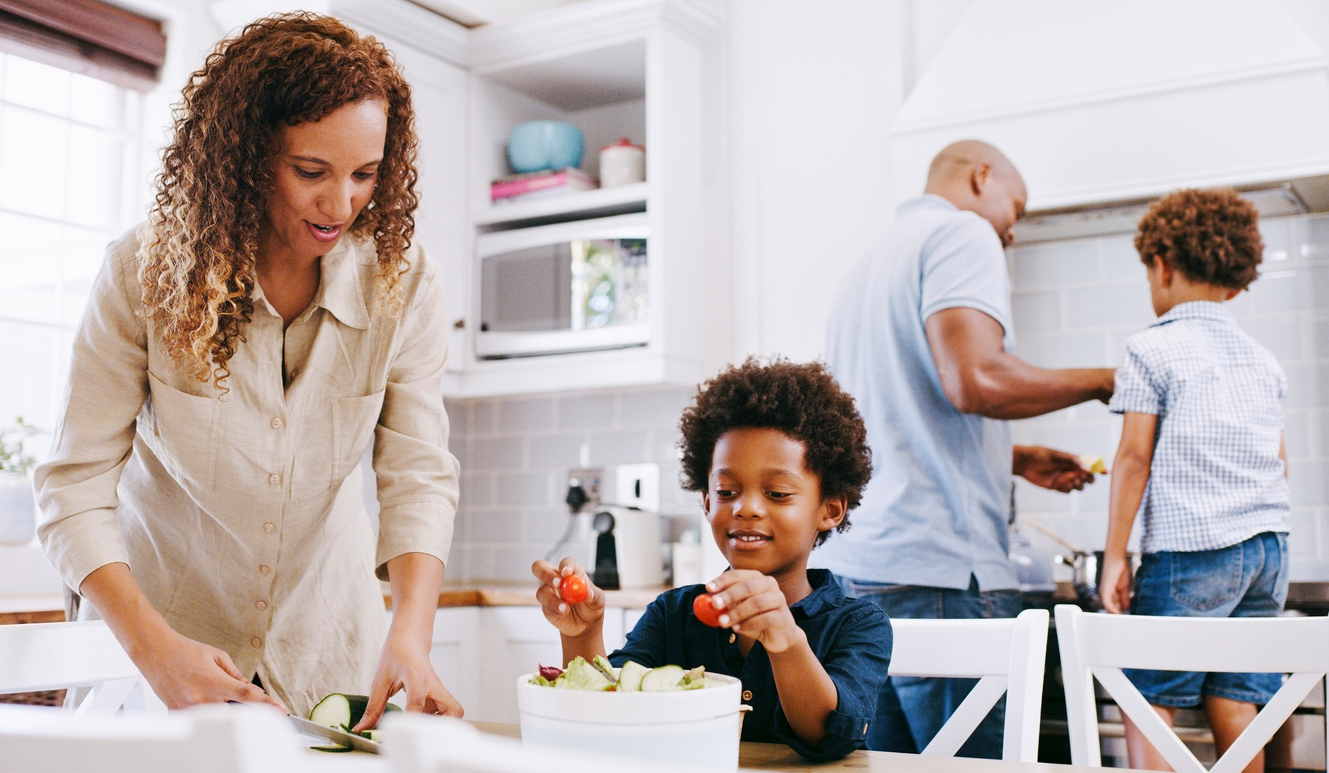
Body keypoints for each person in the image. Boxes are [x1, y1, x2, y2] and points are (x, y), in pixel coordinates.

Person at [33, 14, 460, 727]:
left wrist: (409, 636)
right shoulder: (144, 275)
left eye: (365, 174)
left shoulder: (402, 283)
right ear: (247, 156)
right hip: (157, 650)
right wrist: (155, 648)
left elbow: (416, 471)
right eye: (310, 172)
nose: (341, 204)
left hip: (326, 651)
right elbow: (71, 485)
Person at [813, 140, 1117, 757]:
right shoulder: (962, 235)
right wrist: (1106, 379)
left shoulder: (866, 265)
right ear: (982, 177)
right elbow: (975, 379)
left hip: (860, 575)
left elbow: (890, 419)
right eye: (1017, 208)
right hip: (943, 576)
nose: (1011, 231)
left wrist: (1013, 456)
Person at [532, 359, 892, 762]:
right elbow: (611, 714)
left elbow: (830, 738)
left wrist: (786, 640)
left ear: (830, 510)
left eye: (777, 493)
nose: (746, 507)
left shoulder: (859, 625)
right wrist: (582, 634)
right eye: (726, 491)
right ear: (706, 502)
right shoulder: (673, 614)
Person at [1099, 188, 1289, 773]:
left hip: (1190, 551)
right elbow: (1280, 462)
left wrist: (1115, 557)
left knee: (1149, 698)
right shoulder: (1263, 359)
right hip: (1268, 551)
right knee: (1239, 700)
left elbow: (1133, 458)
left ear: (1161, 263)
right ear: (1234, 278)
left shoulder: (1150, 349)